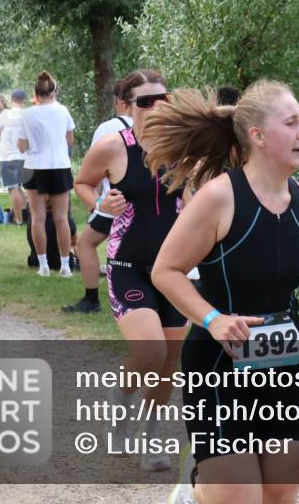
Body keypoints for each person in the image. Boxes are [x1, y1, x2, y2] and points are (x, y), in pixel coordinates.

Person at [148, 81, 299, 502]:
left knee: (278, 496)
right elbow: (165, 271)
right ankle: (198, 492)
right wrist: (213, 318)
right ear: (257, 136)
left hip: (285, 364)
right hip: (218, 366)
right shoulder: (219, 197)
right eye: (292, 122)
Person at [74, 69, 188, 471]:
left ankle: (151, 438)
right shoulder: (112, 147)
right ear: (126, 106)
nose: (156, 107)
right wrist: (100, 205)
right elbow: (83, 182)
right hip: (127, 267)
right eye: (145, 101)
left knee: (170, 360)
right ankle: (120, 410)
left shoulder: (182, 146)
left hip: (173, 271)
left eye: (163, 98)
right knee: (150, 350)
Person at [64, 79, 133, 313]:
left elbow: (92, 168)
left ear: (118, 102)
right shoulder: (161, 126)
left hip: (116, 200)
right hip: (147, 202)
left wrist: (96, 202)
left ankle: (91, 299)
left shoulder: (108, 128)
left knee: (85, 243)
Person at [19, 71, 76, 277]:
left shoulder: (26, 114)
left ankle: (43, 265)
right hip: (59, 165)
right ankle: (65, 265)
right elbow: (70, 141)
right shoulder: (63, 111)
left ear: (35, 93)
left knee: (38, 217)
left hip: (34, 167)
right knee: (61, 218)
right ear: (54, 91)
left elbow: (22, 145)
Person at [0, 89, 28, 224]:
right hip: (26, 156)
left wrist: (1, 131)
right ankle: (28, 216)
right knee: (24, 189)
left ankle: (18, 219)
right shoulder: (28, 115)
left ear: (11, 100)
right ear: (24, 100)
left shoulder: (6, 114)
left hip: (8, 156)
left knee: (13, 188)